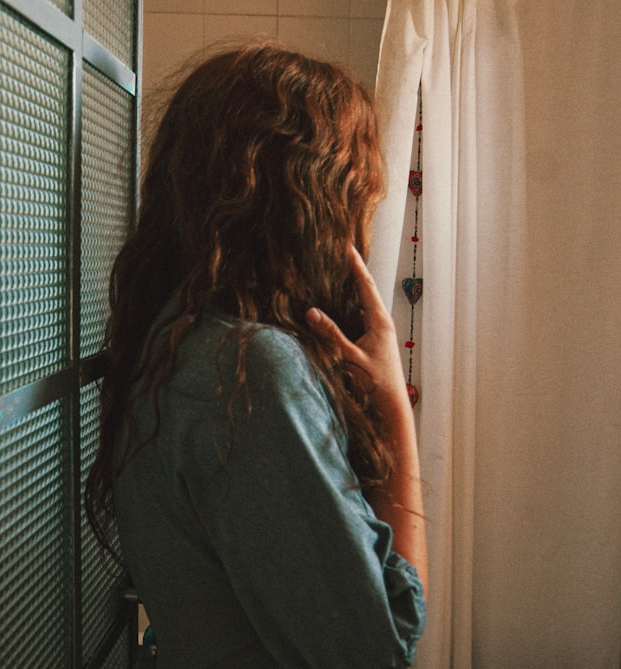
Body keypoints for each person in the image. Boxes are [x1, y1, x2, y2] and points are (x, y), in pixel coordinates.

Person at [85, 42, 427, 667]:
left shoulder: (172, 337)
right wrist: (394, 413)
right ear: (309, 207)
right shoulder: (251, 371)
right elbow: (380, 648)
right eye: (356, 197)